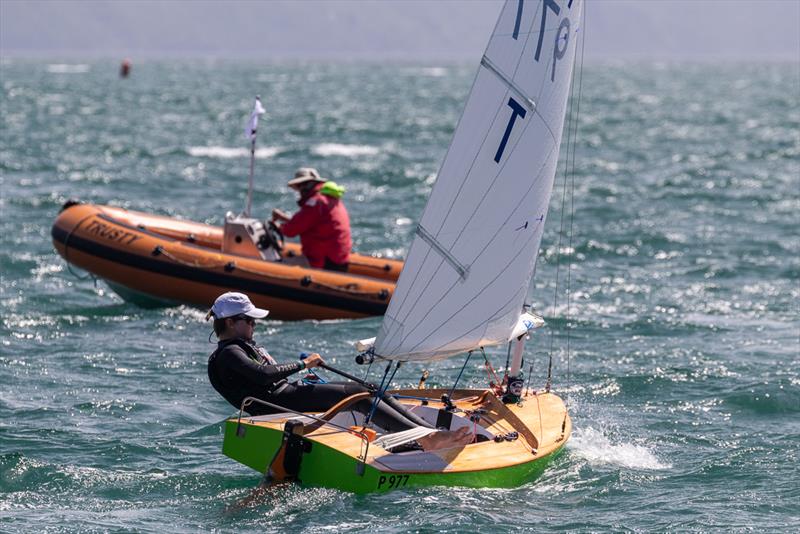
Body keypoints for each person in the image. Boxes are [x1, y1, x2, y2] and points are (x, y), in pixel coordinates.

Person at [206, 292, 472, 451]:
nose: (254, 325)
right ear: (230, 322)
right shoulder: (228, 352)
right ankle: (429, 438)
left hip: (286, 395)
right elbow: (263, 376)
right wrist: (303, 364)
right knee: (357, 395)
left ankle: (429, 432)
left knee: (370, 390)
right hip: (280, 402)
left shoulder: (237, 347)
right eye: (249, 320)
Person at [271, 167, 352, 272]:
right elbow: (309, 223)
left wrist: (277, 227)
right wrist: (283, 218)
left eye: (300, 187)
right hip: (338, 260)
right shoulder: (328, 199)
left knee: (276, 265)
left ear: (305, 186)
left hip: (323, 261)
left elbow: (290, 230)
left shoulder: (315, 203)